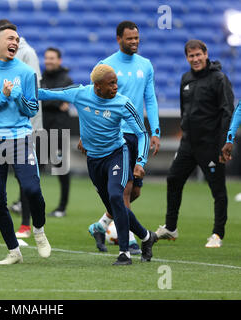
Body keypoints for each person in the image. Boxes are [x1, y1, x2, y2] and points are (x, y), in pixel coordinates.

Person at [39, 64, 158, 265]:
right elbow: (45, 93)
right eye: (111, 84)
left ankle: (124, 253)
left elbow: (141, 133)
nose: (115, 87)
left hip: (116, 155)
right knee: (115, 204)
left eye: (116, 83)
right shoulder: (80, 93)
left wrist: (140, 161)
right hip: (94, 160)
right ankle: (147, 237)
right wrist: (17, 92)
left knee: (116, 195)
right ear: (97, 86)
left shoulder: (123, 103)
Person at [0, 23, 51, 264]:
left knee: (32, 189)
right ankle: (14, 251)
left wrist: (17, 98)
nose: (14, 42)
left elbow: (31, 109)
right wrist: (2, 97)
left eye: (17, 39)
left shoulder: (26, 72)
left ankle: (38, 229)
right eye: (9, 38)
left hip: (20, 139)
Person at [87, 21, 160, 254]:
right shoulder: (106, 66)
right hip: (116, 134)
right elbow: (92, 100)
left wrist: (155, 131)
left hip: (138, 134)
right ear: (119, 39)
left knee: (135, 191)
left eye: (137, 38)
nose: (134, 42)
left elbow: (151, 98)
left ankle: (101, 225)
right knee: (125, 189)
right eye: (130, 38)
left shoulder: (146, 66)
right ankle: (127, 239)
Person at [156, 40, 234, 248]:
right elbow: (185, 111)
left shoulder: (219, 79)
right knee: (173, 179)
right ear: (187, 58)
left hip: (211, 144)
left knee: (217, 189)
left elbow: (228, 111)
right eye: (191, 56)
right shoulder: (186, 79)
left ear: (206, 54)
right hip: (188, 143)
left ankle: (217, 234)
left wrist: (226, 141)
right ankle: (171, 227)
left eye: (198, 55)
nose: (195, 59)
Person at [0, 19, 44, 239]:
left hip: (25, 128)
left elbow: (35, 90)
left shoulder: (27, 54)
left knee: (28, 181)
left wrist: (31, 123)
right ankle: (2, 221)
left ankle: (26, 224)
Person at [40, 47, 73, 218]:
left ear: (59, 60)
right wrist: (54, 101)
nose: (48, 61)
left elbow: (59, 99)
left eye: (52, 58)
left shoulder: (66, 79)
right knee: (33, 170)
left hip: (59, 132)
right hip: (40, 131)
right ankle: (26, 202)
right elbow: (38, 99)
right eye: (46, 58)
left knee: (61, 170)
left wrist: (45, 99)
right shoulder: (41, 77)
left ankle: (62, 206)